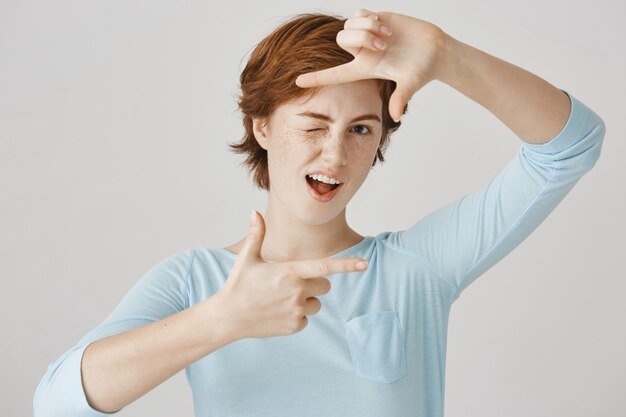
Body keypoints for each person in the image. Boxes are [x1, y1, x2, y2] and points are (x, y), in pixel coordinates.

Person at [33, 8, 605, 417]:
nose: (335, 154)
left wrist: (446, 56)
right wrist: (222, 321)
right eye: (313, 125)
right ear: (262, 126)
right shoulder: (198, 282)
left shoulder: (415, 269)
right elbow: (57, 403)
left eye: (361, 129)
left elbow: (570, 145)